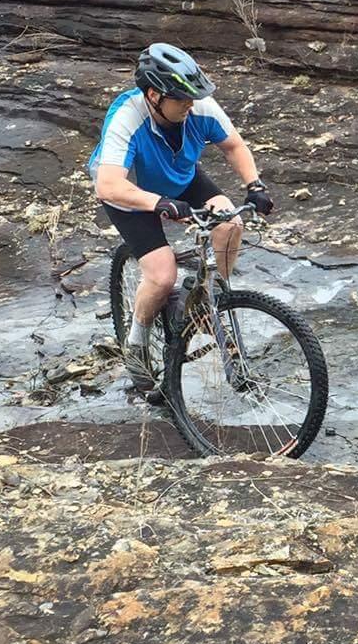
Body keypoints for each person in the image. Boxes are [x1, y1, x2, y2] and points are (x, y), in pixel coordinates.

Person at [88, 43, 274, 389]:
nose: (190, 105)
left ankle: (208, 296)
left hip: (179, 177)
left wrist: (255, 185)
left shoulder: (197, 106)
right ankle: (137, 342)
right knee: (161, 275)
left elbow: (234, 145)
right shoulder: (127, 117)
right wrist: (158, 203)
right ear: (154, 95)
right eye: (181, 98)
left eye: (192, 97)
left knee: (230, 222)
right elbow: (109, 184)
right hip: (129, 189)